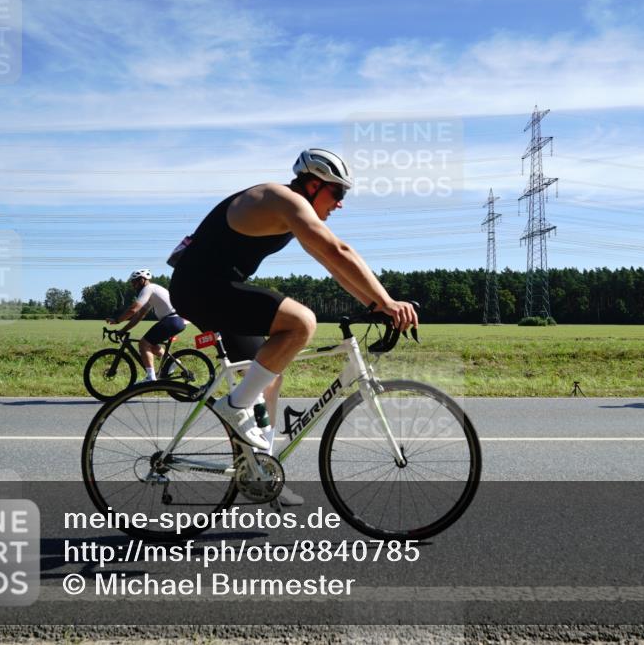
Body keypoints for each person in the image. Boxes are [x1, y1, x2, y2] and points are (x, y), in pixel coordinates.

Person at [170, 149, 418, 504]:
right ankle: (235, 406)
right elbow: (339, 250)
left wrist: (376, 305)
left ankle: (261, 474)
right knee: (302, 322)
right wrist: (390, 303)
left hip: (215, 288)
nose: (341, 204)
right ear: (314, 185)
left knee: (270, 374)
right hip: (202, 288)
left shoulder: (292, 211)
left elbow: (332, 264)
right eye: (338, 193)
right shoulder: (282, 199)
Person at [107, 269, 187, 384]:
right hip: (175, 320)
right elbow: (139, 316)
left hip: (172, 320)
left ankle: (151, 377)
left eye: (134, 282)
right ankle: (172, 361)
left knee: (143, 344)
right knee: (151, 345)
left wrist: (117, 320)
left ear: (142, 280)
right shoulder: (152, 291)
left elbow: (133, 309)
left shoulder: (148, 289)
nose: (133, 286)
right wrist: (123, 330)